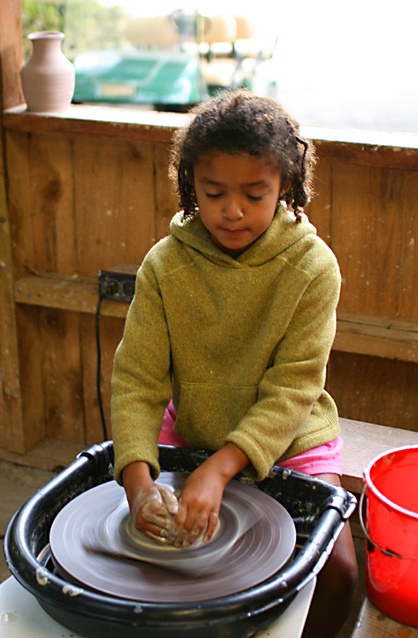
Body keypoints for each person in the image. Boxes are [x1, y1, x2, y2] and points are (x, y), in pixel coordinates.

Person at [111, 89, 358, 638]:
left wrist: (222, 468)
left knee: (337, 574)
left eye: (254, 193)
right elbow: (138, 381)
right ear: (190, 184)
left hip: (292, 438)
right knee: (167, 568)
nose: (232, 210)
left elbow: (294, 389)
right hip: (194, 426)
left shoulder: (313, 268)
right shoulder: (165, 266)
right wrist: (136, 481)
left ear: (286, 186)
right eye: (214, 192)